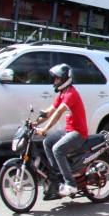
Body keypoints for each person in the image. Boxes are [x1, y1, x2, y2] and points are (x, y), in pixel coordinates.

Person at [35, 64, 86, 197]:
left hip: (78, 133)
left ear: (64, 79)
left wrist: (45, 128)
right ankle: (58, 177)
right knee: (47, 143)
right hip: (68, 131)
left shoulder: (71, 94)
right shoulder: (62, 94)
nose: (55, 81)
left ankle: (71, 185)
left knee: (57, 149)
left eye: (57, 79)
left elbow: (58, 113)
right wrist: (34, 123)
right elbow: (49, 111)